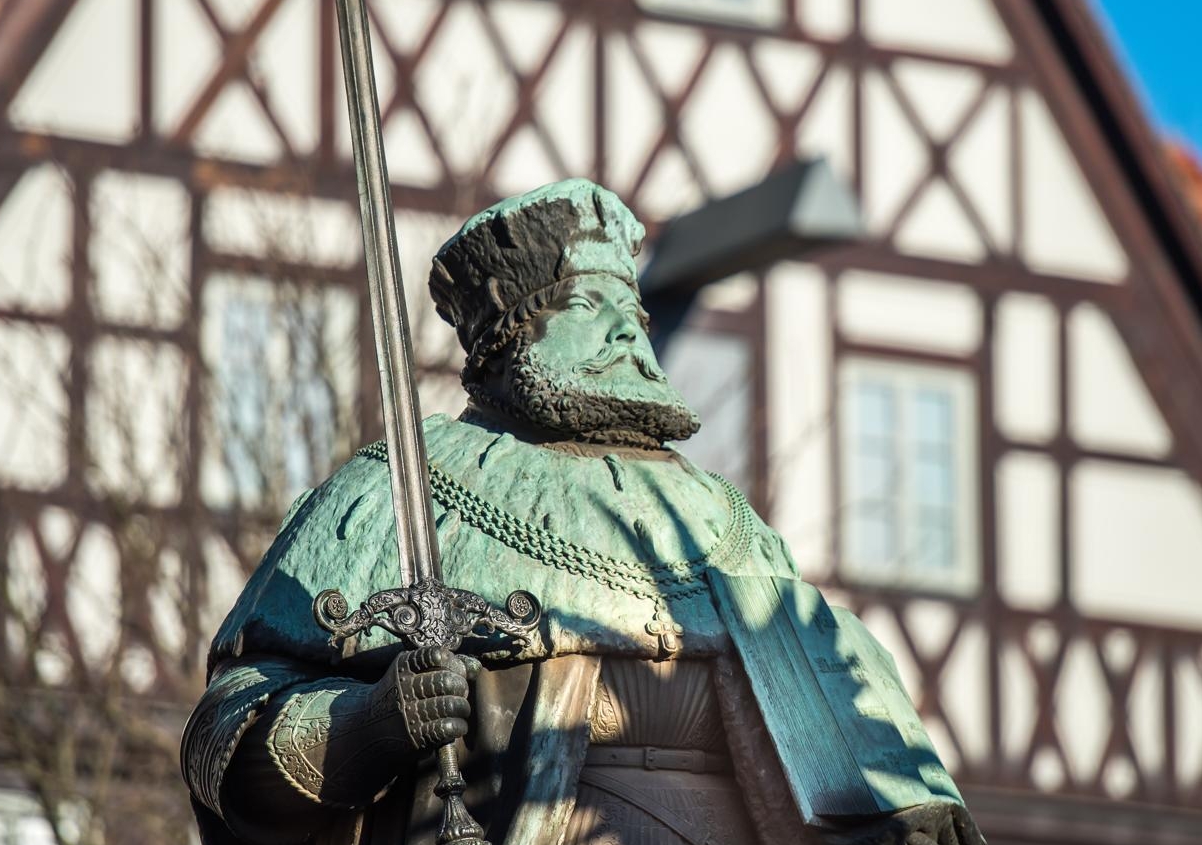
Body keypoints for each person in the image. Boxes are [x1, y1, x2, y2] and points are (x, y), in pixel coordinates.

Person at [182, 179, 984, 845]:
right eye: (592, 304)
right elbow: (224, 736)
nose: (630, 332)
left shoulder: (717, 514)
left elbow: (837, 701)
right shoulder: (400, 486)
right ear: (512, 335)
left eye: (632, 309)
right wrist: (369, 723)